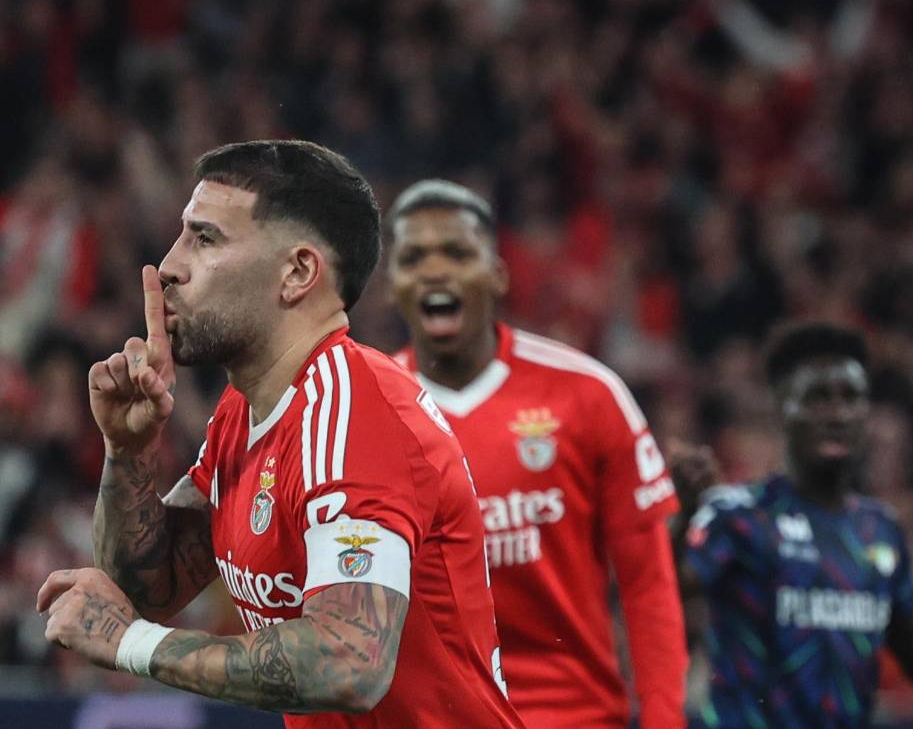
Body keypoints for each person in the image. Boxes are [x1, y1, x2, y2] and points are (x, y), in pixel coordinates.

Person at [35, 140, 525, 727]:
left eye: (205, 239)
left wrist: (131, 643)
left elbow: (349, 661)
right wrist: (129, 450)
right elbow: (148, 588)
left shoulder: (358, 416)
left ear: (297, 273)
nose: (169, 265)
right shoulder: (244, 411)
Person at [385, 179, 687, 728]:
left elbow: (648, 584)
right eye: (413, 258)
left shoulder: (589, 394)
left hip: (574, 716)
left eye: (456, 253)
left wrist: (665, 720)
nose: (435, 271)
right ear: (391, 284)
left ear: (498, 274)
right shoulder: (366, 410)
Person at [681, 323, 913, 728]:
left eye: (851, 397)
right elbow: (666, 586)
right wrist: (681, 518)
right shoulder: (738, 516)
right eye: (817, 398)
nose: (837, 414)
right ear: (779, 405)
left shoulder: (881, 531)